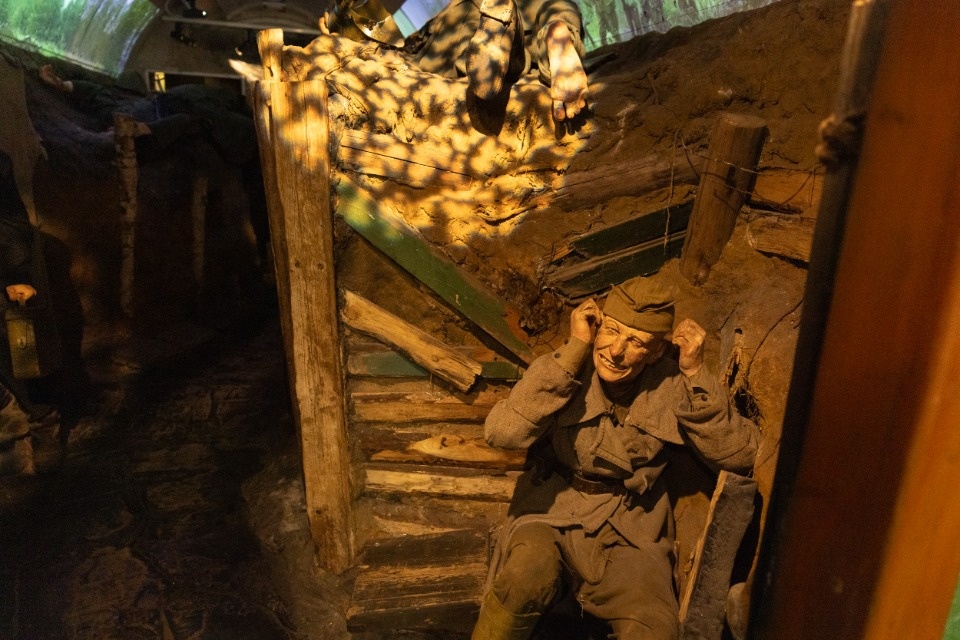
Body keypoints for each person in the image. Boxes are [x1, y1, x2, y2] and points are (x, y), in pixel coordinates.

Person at [473, 275, 759, 639]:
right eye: (611, 330)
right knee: (522, 580)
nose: (616, 350)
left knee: (654, 627)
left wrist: (694, 372)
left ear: (655, 352)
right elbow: (501, 433)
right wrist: (576, 347)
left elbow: (741, 455)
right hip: (553, 510)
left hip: (631, 525)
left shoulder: (671, 384)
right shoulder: (567, 367)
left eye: (635, 341)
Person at [322, 0, 589, 123]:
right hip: (482, 39)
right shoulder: (445, 11)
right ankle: (547, 37)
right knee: (516, 53)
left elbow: (399, 46)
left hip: (450, 56)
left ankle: (543, 37)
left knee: (508, 50)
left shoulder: (445, 11)